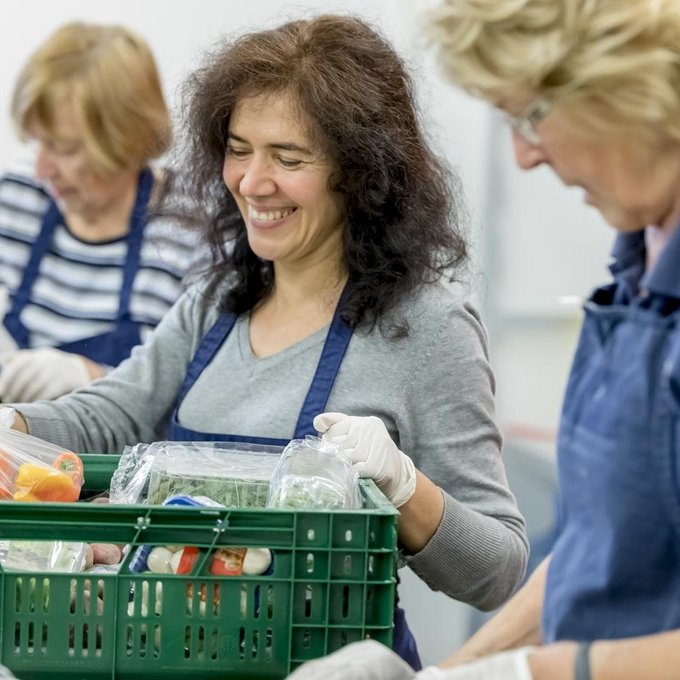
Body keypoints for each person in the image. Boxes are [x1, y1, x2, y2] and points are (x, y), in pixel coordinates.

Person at [6, 14, 528, 669]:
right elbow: (107, 415)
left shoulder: (427, 326)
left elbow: (498, 570)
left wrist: (403, 486)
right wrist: (13, 424)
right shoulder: (217, 301)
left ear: (360, 173)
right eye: (239, 148)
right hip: (174, 656)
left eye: (289, 158)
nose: (253, 182)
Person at [288, 0, 680, 678]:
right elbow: (601, 544)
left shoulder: (435, 322)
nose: (525, 156)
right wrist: (453, 671)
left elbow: (499, 562)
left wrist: (536, 672)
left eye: (530, 117)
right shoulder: (637, 272)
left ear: (630, 89)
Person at [0, 22, 198, 402]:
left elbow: (197, 401)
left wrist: (91, 377)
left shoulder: (190, 229)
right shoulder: (17, 195)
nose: (43, 170)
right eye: (39, 142)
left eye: (66, 148)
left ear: (128, 139)